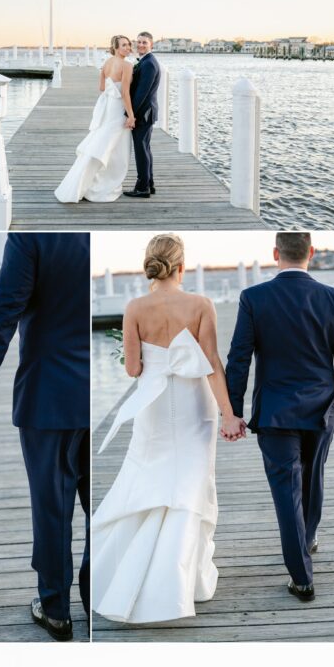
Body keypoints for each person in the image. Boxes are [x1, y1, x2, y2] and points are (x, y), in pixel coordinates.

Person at [92, 233, 243, 624]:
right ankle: (183, 582)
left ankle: (139, 582)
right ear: (181, 266)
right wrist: (229, 415)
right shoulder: (200, 304)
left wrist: (152, 356)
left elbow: (132, 369)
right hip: (197, 408)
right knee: (191, 486)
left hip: (154, 407)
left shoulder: (134, 307)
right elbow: (211, 363)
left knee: (151, 480)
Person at [0, 233, 90, 641]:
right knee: (100, 509)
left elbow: (3, 310)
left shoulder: (32, 236)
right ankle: (94, 593)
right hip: (98, 399)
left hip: (48, 395)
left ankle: (56, 610)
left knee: (52, 509)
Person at [226, 231, 334, 602]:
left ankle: (302, 577)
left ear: (275, 254)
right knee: (312, 479)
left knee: (288, 491)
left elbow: (239, 359)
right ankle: (309, 538)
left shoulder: (253, 298)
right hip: (321, 409)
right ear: (311, 253)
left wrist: (233, 411)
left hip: (275, 412)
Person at [54, 35, 134, 204]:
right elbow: (126, 93)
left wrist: (114, 90)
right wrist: (131, 115)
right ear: (116, 48)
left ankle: (82, 184)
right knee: (116, 150)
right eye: (124, 45)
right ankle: (103, 186)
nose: (128, 48)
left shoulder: (106, 63)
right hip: (118, 109)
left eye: (129, 45)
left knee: (102, 144)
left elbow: (102, 88)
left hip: (108, 109)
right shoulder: (127, 65)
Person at [123, 31, 161, 199]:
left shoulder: (149, 64)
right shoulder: (146, 61)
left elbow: (142, 93)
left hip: (143, 113)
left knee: (141, 150)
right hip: (147, 112)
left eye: (144, 42)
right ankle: (149, 184)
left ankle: (142, 187)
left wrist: (130, 114)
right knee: (145, 149)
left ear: (151, 45)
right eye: (138, 42)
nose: (140, 45)